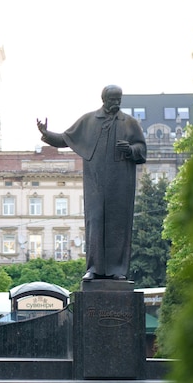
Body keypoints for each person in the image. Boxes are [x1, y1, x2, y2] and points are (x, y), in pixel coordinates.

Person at [37, 85, 146, 281]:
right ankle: (94, 268)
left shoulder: (130, 123)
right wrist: (47, 133)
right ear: (103, 99)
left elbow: (141, 148)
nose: (116, 103)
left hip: (121, 183)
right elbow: (66, 139)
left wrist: (130, 150)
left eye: (118, 99)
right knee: (94, 222)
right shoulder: (89, 121)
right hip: (95, 182)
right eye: (112, 99)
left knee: (118, 224)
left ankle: (117, 270)